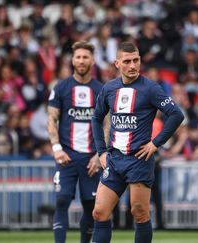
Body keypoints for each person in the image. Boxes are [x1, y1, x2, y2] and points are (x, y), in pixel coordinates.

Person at [91, 42, 184, 243]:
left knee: (139, 212)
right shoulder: (109, 88)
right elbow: (96, 118)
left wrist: (155, 144)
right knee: (99, 212)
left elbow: (176, 114)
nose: (133, 65)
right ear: (117, 63)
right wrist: (101, 151)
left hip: (139, 159)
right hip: (115, 159)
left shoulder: (150, 88)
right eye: (127, 61)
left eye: (136, 60)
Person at [47, 42, 102, 243]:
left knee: (91, 206)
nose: (81, 61)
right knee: (62, 201)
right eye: (78, 57)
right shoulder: (61, 87)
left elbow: (107, 125)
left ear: (92, 60)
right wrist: (56, 148)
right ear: (72, 60)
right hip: (66, 156)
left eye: (85, 57)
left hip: (91, 159)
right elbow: (51, 119)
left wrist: (100, 154)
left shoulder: (101, 89)